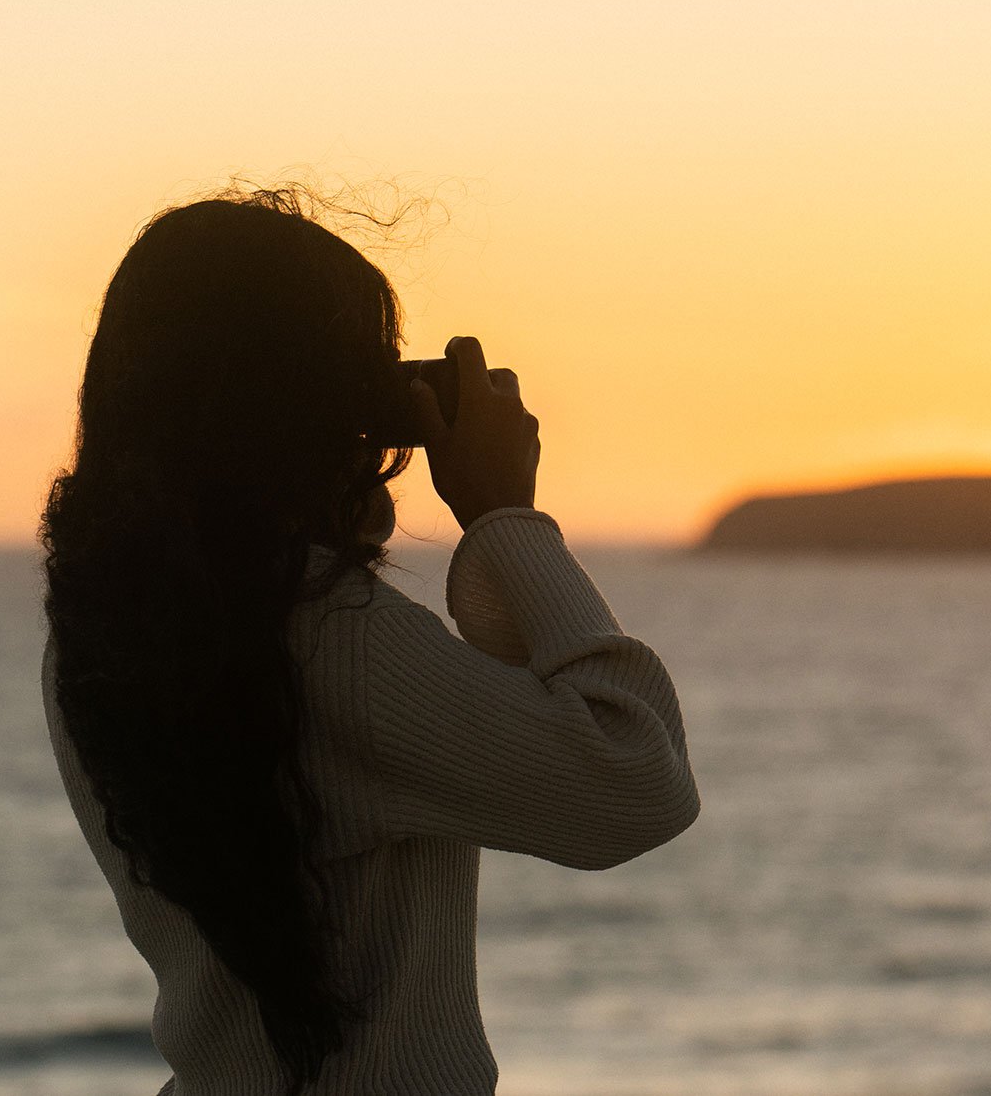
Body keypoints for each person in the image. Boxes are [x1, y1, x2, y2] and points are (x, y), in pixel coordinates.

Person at [38, 190, 700, 1095]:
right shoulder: (331, 637)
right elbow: (638, 779)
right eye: (358, 370)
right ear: (295, 398)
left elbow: (489, 726)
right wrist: (505, 515)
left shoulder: (104, 627)